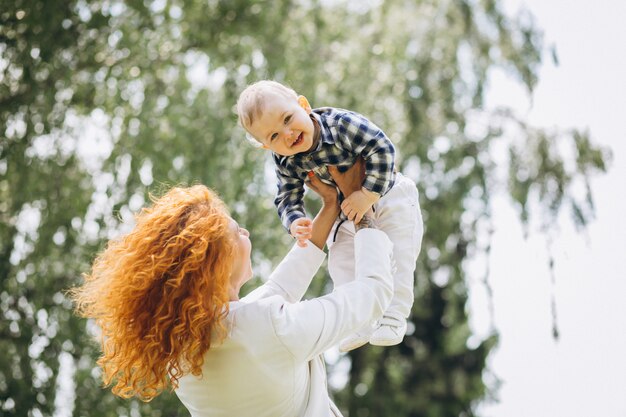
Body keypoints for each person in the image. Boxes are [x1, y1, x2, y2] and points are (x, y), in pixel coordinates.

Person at [70, 163, 394, 417]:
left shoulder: (186, 352)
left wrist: (331, 204)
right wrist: (362, 211)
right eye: (237, 230)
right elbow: (373, 291)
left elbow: (280, 287)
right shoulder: (267, 325)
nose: (246, 231)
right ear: (218, 262)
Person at [236, 80, 424, 351]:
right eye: (274, 136)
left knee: (400, 256)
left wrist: (366, 194)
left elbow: (383, 149)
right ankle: (357, 323)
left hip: (388, 194)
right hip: (346, 212)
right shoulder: (285, 160)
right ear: (267, 147)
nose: (288, 134)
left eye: (288, 119)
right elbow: (287, 195)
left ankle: (395, 316)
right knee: (342, 263)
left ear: (303, 105)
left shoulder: (340, 126)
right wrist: (295, 221)